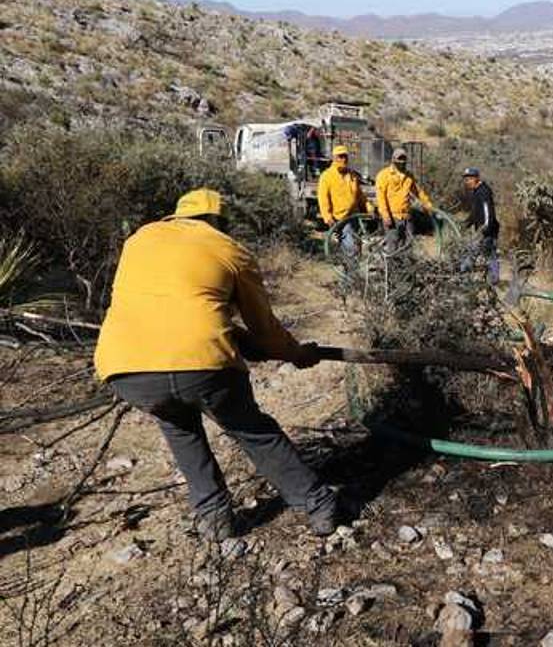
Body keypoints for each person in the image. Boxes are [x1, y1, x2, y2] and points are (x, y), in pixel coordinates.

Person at [94, 189, 340, 540]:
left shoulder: (140, 238)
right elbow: (266, 331)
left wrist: (237, 339)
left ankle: (214, 519)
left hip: (125, 367)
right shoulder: (229, 250)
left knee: (180, 428)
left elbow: (172, 306)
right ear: (216, 221)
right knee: (251, 430)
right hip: (202, 365)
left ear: (177, 216)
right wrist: (297, 353)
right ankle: (318, 506)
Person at [316, 144, 372, 255]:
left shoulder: (352, 175)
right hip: (340, 219)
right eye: (340, 156)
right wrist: (328, 217)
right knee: (350, 247)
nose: (343, 159)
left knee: (356, 245)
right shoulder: (327, 176)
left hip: (355, 216)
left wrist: (369, 208)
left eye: (345, 156)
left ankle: (351, 269)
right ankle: (352, 270)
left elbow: (360, 196)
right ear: (334, 158)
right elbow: (323, 199)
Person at [375, 147, 434, 242]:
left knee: (408, 246)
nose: (401, 161)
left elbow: (418, 192)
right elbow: (381, 197)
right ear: (393, 159)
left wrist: (427, 204)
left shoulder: (409, 176)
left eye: (403, 159)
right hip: (392, 217)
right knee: (393, 247)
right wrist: (385, 216)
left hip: (406, 217)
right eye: (399, 159)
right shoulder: (384, 175)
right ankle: (391, 257)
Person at [459, 167, 500, 283]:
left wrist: (485, 228)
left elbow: (488, 212)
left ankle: (463, 274)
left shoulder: (484, 192)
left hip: (487, 231)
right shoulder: (476, 191)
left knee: (474, 252)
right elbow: (475, 213)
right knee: (489, 254)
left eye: (468, 179)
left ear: (476, 178)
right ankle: (494, 279)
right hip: (485, 230)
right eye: (465, 180)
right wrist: (466, 224)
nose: (466, 182)